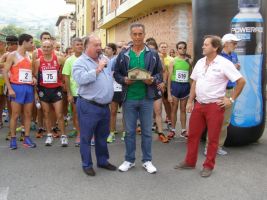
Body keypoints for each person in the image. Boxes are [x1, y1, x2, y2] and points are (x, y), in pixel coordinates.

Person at [175, 35, 246, 177]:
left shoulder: (224, 63)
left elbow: (241, 81)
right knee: (192, 135)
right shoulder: (200, 62)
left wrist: (230, 99)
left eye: (206, 44)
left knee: (213, 138)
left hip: (215, 106)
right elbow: (194, 82)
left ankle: (208, 166)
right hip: (199, 105)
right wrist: (190, 101)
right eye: (203, 44)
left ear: (215, 47)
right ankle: (190, 162)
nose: (203, 46)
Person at [114, 23, 162, 174]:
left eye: (140, 34)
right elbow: (116, 74)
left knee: (147, 132)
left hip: (147, 98)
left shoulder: (153, 53)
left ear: (144, 34)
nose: (137, 37)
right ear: (131, 35)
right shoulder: (124, 54)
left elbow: (160, 73)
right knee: (129, 132)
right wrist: (124, 80)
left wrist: (152, 80)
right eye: (134, 34)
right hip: (129, 98)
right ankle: (129, 160)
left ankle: (147, 160)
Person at [73, 35, 116, 176]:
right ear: (86, 47)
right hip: (88, 105)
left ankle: (103, 161)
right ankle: (87, 164)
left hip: (104, 107)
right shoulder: (80, 62)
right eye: (96, 45)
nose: (99, 48)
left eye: (100, 44)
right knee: (86, 137)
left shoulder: (104, 59)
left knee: (102, 136)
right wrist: (97, 69)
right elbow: (80, 79)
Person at [204, 33, 241, 156]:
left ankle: (218, 146)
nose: (236, 45)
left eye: (236, 43)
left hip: (230, 90)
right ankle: (209, 147)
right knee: (215, 121)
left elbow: (236, 72)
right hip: (220, 91)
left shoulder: (234, 55)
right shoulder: (218, 57)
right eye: (234, 43)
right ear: (226, 43)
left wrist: (236, 68)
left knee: (225, 121)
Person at [3, 33, 37, 150]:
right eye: (31, 42)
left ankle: (26, 138)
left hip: (28, 87)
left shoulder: (29, 55)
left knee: (28, 114)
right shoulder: (12, 55)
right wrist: (10, 88)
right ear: (24, 42)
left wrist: (33, 78)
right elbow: (5, 72)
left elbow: (29, 72)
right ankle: (13, 139)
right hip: (16, 87)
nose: (32, 45)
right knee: (15, 115)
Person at [34, 40, 68, 147]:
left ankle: (63, 136)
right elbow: (34, 77)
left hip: (56, 90)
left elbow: (65, 71)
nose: (46, 49)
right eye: (44, 47)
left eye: (48, 47)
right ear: (41, 48)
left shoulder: (59, 59)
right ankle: (49, 135)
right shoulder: (38, 61)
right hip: (43, 90)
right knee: (46, 114)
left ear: (52, 48)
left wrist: (63, 82)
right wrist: (36, 93)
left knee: (59, 114)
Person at [167, 41, 192, 139]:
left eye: (184, 48)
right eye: (180, 48)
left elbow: (190, 76)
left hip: (185, 87)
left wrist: (192, 92)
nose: (182, 50)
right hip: (175, 86)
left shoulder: (189, 61)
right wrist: (168, 93)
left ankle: (183, 130)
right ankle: (173, 130)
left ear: (186, 49)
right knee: (174, 109)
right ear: (177, 49)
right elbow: (169, 78)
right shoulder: (173, 61)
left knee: (183, 110)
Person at [146, 39, 168, 143]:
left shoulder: (158, 57)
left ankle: (160, 132)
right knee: (145, 112)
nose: (151, 50)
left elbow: (164, 71)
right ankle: (146, 133)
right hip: (144, 86)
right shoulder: (142, 57)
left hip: (156, 86)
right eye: (149, 48)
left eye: (153, 48)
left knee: (158, 111)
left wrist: (163, 82)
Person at [62, 37, 83, 146]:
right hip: (75, 93)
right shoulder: (69, 60)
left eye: (81, 44)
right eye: (77, 44)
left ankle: (90, 135)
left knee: (89, 114)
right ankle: (79, 134)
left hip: (87, 93)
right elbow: (66, 78)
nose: (80, 46)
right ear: (73, 47)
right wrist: (69, 93)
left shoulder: (88, 58)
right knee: (76, 114)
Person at [158, 42, 173, 128]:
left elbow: (169, 73)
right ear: (159, 48)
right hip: (158, 84)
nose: (163, 48)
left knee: (166, 102)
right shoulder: (156, 57)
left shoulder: (171, 59)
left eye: (165, 47)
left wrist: (166, 83)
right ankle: (156, 122)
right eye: (162, 47)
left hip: (167, 84)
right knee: (158, 103)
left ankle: (170, 119)